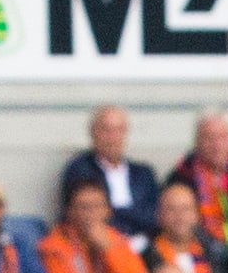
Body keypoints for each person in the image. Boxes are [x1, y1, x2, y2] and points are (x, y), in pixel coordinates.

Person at [58, 104, 161, 243]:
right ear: (93, 133)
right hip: (100, 243)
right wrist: (135, 215)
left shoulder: (143, 174)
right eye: (106, 130)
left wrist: (118, 211)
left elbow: (155, 216)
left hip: (145, 243)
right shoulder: (80, 170)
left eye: (118, 130)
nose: (112, 137)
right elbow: (90, 214)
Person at [171, 110, 228, 257]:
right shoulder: (183, 175)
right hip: (202, 251)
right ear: (197, 141)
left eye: (222, 137)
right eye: (209, 138)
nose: (216, 145)